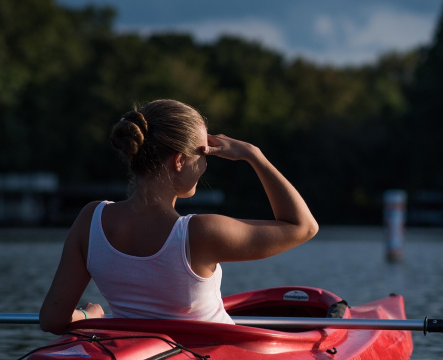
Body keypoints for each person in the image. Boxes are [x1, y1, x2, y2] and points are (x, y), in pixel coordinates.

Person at [39, 99, 318, 334]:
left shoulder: (91, 219)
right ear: (179, 161)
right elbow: (303, 226)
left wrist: (90, 318)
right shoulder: (200, 232)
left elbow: (53, 319)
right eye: (204, 152)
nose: (207, 163)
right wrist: (254, 155)